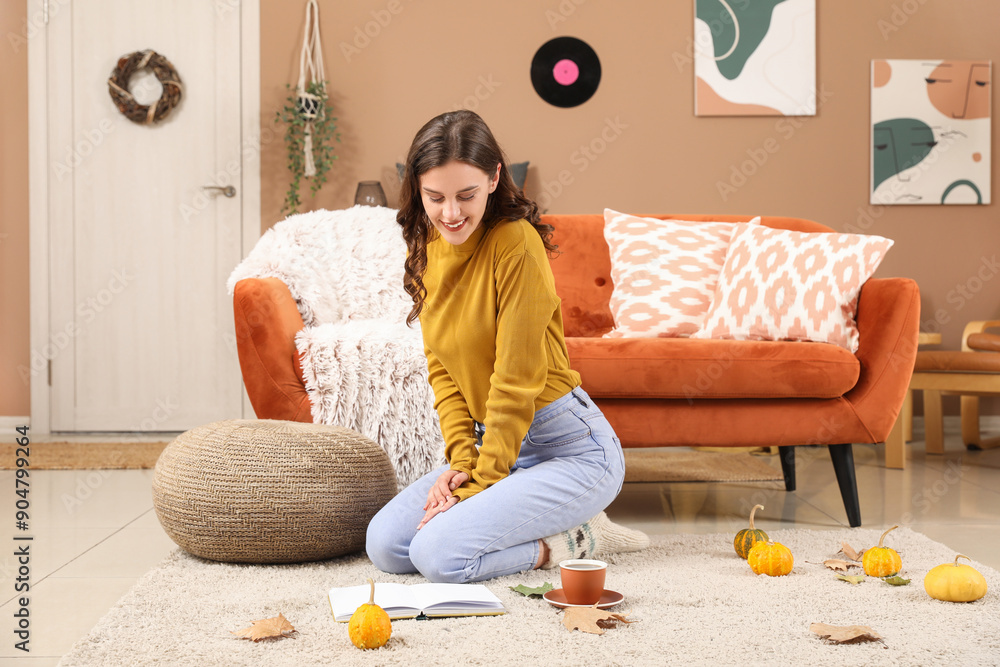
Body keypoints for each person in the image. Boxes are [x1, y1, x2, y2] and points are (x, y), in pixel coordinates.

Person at [365, 110, 648, 584]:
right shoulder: (429, 248)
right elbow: (444, 373)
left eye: (466, 195)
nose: (450, 213)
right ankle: (521, 508)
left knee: (439, 557)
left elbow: (515, 381)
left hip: (571, 451)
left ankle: (575, 540)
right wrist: (460, 467)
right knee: (388, 546)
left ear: (495, 178)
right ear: (417, 189)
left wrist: (476, 484)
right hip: (498, 448)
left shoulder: (514, 243)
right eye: (435, 197)